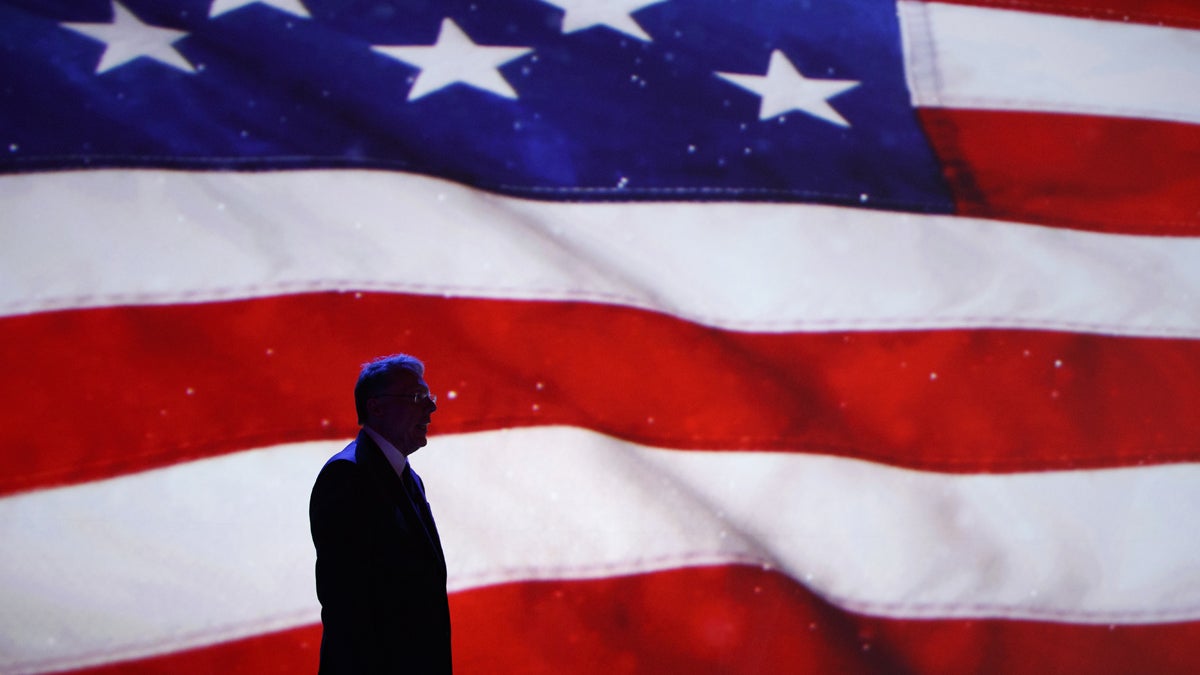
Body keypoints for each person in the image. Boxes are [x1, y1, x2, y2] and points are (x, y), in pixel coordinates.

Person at [309, 353, 451, 674]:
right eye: (417, 397)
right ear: (376, 407)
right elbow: (347, 608)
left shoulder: (409, 479)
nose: (431, 407)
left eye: (429, 397)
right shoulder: (347, 476)